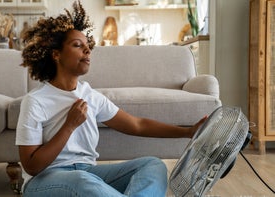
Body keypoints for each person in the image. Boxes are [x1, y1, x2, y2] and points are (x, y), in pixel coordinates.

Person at [16, 1, 206, 196]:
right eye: (77, 45)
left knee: (153, 165)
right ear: (56, 54)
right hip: (45, 180)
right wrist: (69, 126)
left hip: (88, 173)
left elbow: (137, 124)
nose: (87, 50)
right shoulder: (36, 101)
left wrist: (189, 132)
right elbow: (31, 166)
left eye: (87, 46)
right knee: (83, 181)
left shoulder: (90, 95)